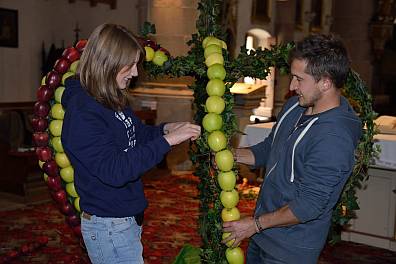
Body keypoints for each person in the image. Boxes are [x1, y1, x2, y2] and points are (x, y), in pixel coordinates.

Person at [61, 23, 201, 264]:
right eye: (130, 65)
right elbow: (115, 171)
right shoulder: (83, 113)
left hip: (123, 219)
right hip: (109, 224)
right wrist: (167, 141)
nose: (135, 73)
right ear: (108, 63)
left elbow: (136, 134)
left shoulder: (110, 97)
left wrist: (166, 129)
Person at [222, 34, 362, 263]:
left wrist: (254, 224)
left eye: (299, 79)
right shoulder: (295, 106)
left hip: (290, 247)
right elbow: (270, 149)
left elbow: (309, 205)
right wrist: (229, 156)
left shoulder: (334, 137)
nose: (291, 86)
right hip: (261, 231)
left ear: (325, 82)